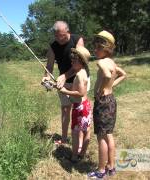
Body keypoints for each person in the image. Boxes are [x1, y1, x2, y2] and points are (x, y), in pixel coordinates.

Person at [88, 30, 126, 179]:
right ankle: (111, 167)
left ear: (106, 48)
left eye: (98, 48)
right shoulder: (112, 62)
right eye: (94, 47)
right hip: (111, 100)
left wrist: (100, 89)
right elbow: (123, 75)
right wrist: (110, 87)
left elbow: (108, 75)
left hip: (103, 102)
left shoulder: (101, 62)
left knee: (101, 137)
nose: (95, 50)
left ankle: (101, 170)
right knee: (108, 135)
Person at [42, 21, 83, 144]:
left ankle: (80, 141)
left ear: (68, 32)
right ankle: (64, 139)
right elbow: (49, 66)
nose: (60, 39)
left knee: (79, 110)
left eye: (63, 36)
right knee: (65, 110)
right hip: (62, 81)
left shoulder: (77, 40)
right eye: (57, 36)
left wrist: (65, 75)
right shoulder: (53, 46)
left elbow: (80, 64)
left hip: (78, 80)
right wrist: (46, 77)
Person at [57, 45, 92, 162]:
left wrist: (65, 91)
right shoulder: (83, 72)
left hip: (80, 108)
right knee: (86, 129)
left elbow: (81, 93)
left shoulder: (79, 75)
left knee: (76, 133)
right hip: (86, 105)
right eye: (71, 59)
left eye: (74, 60)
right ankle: (82, 153)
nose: (72, 61)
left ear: (81, 62)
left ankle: (74, 156)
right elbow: (79, 90)